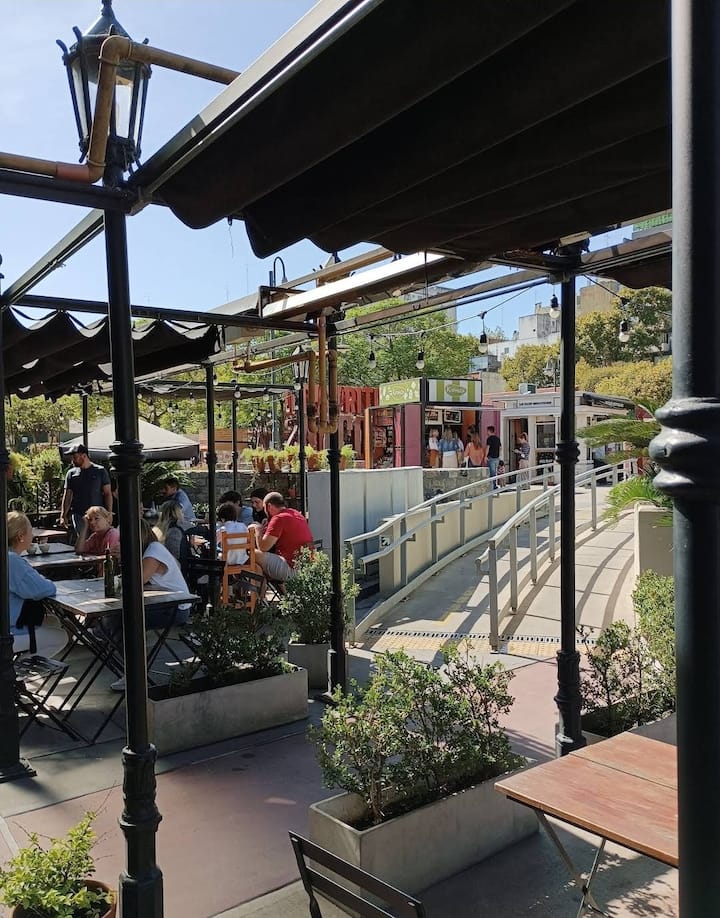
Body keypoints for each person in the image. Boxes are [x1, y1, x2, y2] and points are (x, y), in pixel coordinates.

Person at [109, 520, 193, 691]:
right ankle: (131, 668)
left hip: (176, 607)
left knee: (124, 621)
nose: (120, 541)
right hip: (163, 603)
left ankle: (134, 673)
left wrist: (124, 557)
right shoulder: (149, 549)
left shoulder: (153, 551)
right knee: (115, 620)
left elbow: (137, 580)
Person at [7, 511, 63, 655]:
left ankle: (17, 665)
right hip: (8, 633)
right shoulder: (12, 560)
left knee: (53, 621)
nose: (33, 535)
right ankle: (13, 668)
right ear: (20, 536)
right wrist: (47, 582)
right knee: (60, 637)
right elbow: (41, 589)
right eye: (31, 531)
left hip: (10, 622)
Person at [248, 491, 313, 583]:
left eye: (264, 508)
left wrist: (257, 529)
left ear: (269, 506)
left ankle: (258, 589)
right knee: (257, 564)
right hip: (306, 567)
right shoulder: (295, 513)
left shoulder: (278, 518)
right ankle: (271, 588)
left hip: (291, 568)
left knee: (250, 553)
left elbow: (263, 547)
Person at [59, 444, 112, 536]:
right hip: (79, 515)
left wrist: (109, 513)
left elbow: (107, 493)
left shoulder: (100, 471)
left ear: (84, 456)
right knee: (83, 540)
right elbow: (67, 495)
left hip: (97, 515)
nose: (72, 460)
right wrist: (63, 515)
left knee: (99, 539)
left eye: (75, 457)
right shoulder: (71, 474)